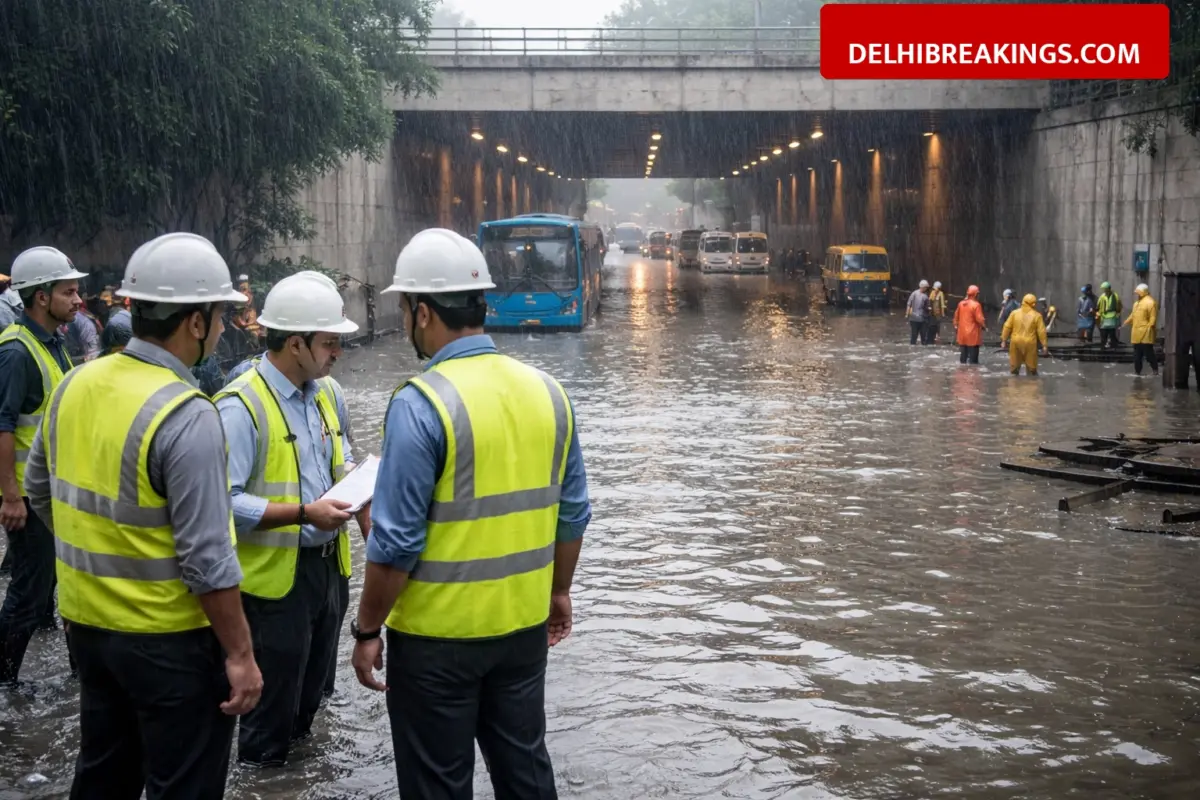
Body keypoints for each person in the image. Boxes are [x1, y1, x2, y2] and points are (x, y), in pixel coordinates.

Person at [351, 229, 592, 799]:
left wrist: (366, 629)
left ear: (424, 313)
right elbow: (573, 514)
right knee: (525, 771)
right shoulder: (550, 393)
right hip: (522, 631)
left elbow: (396, 545)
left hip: (438, 643)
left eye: (406, 307)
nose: (407, 320)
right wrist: (559, 591)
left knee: (439, 784)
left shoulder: (421, 402)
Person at [23, 232, 263, 798]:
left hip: (87, 627)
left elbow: (38, 491)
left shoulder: (75, 384)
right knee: (184, 783)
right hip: (169, 640)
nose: (226, 327)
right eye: (221, 316)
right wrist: (241, 654)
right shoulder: (187, 413)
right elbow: (208, 558)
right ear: (196, 323)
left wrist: (97, 559)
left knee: (105, 773)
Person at [215, 271, 360, 767]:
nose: (337, 352)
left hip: (327, 571)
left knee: (312, 697)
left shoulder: (327, 394)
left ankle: (293, 777)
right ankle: (264, 782)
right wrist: (302, 513)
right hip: (273, 588)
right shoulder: (241, 405)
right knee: (268, 714)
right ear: (295, 343)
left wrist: (364, 508)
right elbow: (219, 503)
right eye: (329, 342)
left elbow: (341, 463)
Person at [0, 246, 87, 686]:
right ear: (40, 297)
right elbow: (2, 425)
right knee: (29, 596)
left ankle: (80, 676)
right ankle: (3, 680)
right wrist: (11, 497)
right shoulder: (16, 351)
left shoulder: (51, 343)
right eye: (69, 292)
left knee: (62, 584)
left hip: (52, 494)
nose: (78, 300)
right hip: (28, 498)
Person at [1001, 293, 1050, 376]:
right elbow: (1041, 331)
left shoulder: (1014, 313)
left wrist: (1004, 340)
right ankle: (1030, 385)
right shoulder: (1037, 316)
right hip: (1030, 343)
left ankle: (1013, 386)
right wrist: (1044, 345)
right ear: (1033, 304)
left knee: (1014, 370)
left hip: (1015, 342)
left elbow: (1007, 327)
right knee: (1032, 371)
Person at [1123, 283, 1159, 377]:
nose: (1137, 294)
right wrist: (1125, 323)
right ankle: (1137, 372)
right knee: (1137, 354)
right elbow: (1133, 315)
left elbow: (1153, 317)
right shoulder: (1136, 304)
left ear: (1143, 292)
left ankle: (1155, 370)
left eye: (1138, 293)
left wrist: (1151, 326)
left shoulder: (1151, 302)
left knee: (1148, 353)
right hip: (1136, 332)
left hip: (1146, 332)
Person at [953, 285, 986, 364]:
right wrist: (984, 326)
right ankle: (973, 373)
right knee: (973, 360)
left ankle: (962, 373)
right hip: (973, 336)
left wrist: (955, 326)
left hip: (962, 335)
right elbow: (980, 319)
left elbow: (955, 317)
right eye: (978, 294)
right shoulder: (976, 305)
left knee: (963, 358)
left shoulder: (961, 304)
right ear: (975, 294)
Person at [1096, 281, 1122, 349]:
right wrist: (1098, 313)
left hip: (1112, 318)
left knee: (1112, 334)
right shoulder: (1102, 296)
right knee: (1104, 334)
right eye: (1103, 289)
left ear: (1108, 288)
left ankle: (1113, 347)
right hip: (1104, 318)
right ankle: (1104, 348)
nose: (1104, 290)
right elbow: (1098, 306)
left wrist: (1118, 314)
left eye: (1105, 289)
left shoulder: (1115, 296)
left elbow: (1119, 306)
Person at [906, 280, 932, 345]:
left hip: (916, 318)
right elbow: (927, 307)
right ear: (923, 287)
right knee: (920, 336)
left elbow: (909, 304)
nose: (926, 289)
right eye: (926, 287)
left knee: (916, 336)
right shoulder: (923, 296)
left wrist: (907, 314)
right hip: (920, 319)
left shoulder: (915, 293)